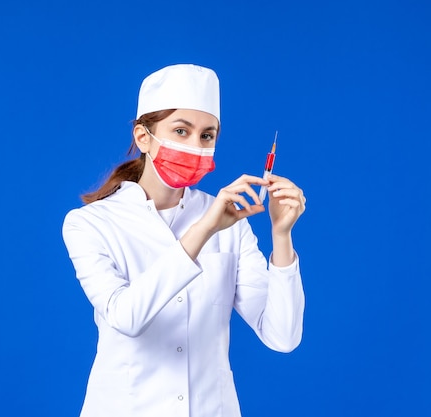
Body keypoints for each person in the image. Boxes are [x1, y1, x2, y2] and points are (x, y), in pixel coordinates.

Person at [62, 64, 306, 417]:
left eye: (207, 136)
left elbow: (282, 336)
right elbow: (126, 317)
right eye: (181, 131)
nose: (195, 145)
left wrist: (281, 237)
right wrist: (203, 230)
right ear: (143, 137)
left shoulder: (232, 223)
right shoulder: (90, 223)